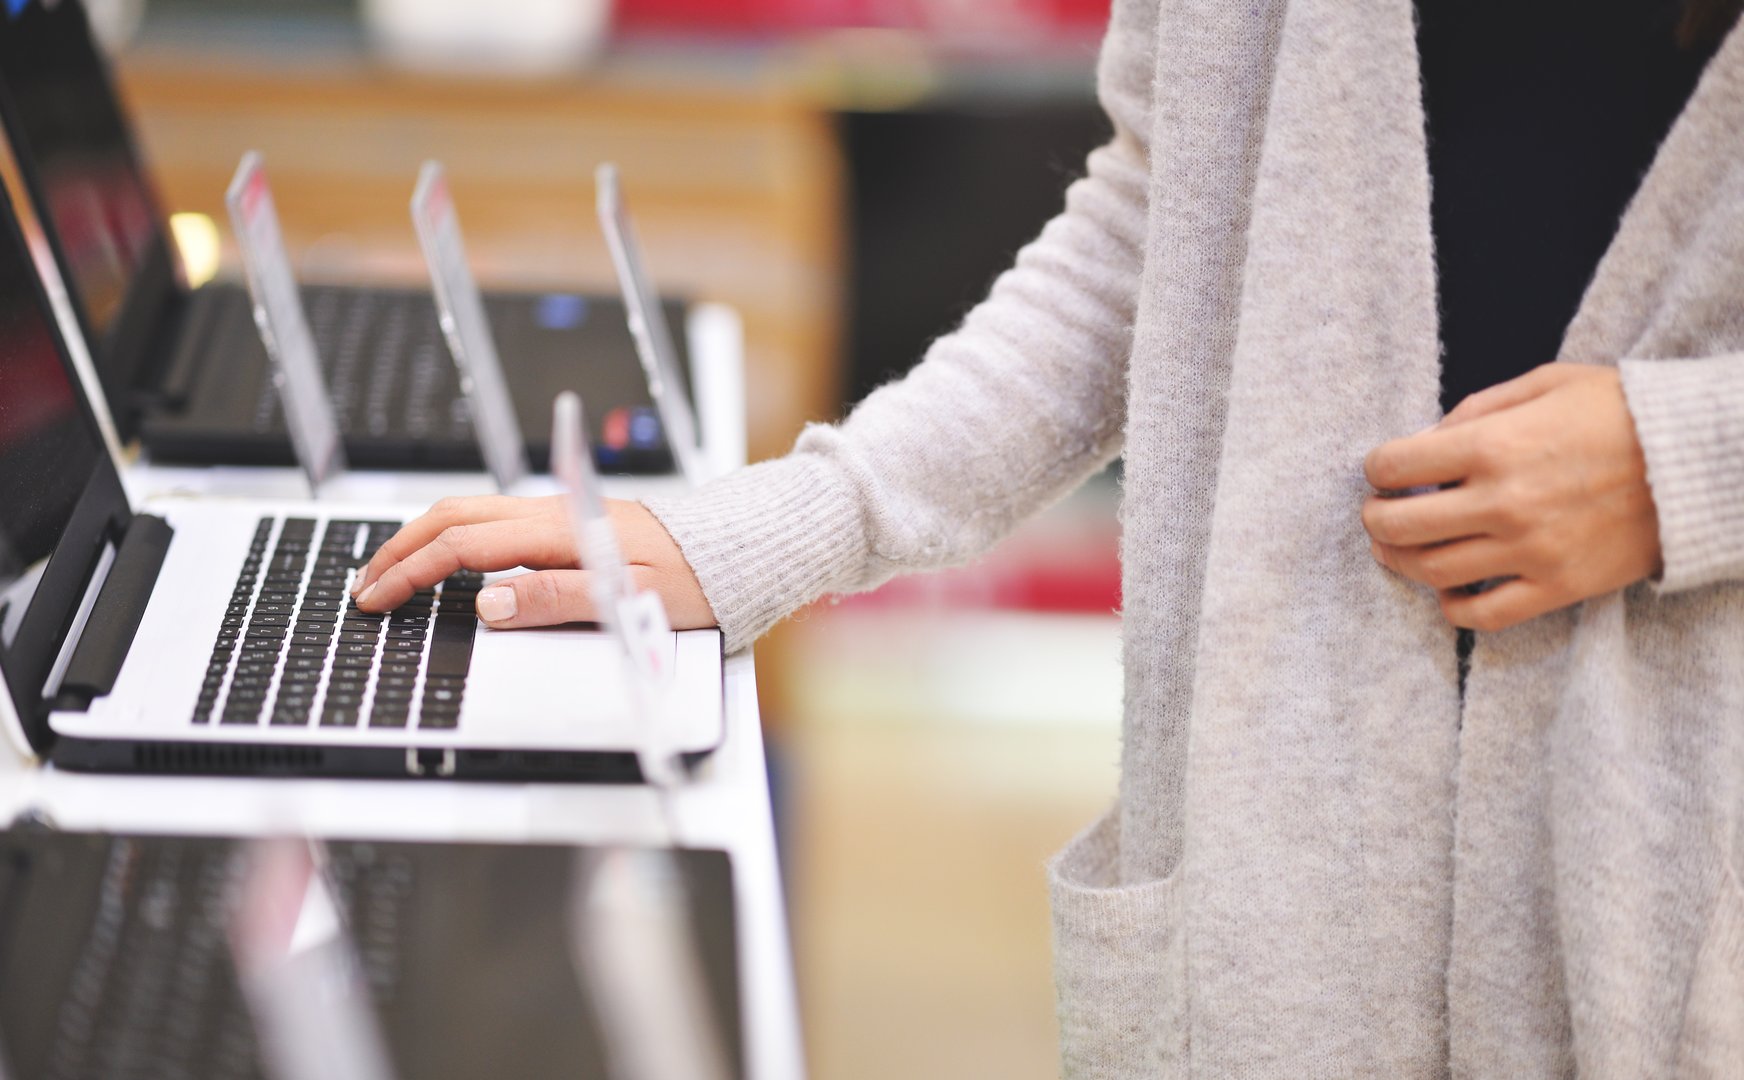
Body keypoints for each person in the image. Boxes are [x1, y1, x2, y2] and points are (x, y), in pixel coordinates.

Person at [353, 0, 1744, 1074]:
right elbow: (1154, 231)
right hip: (1297, 875)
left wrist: (1682, 463)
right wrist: (765, 528)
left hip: (1684, 888)